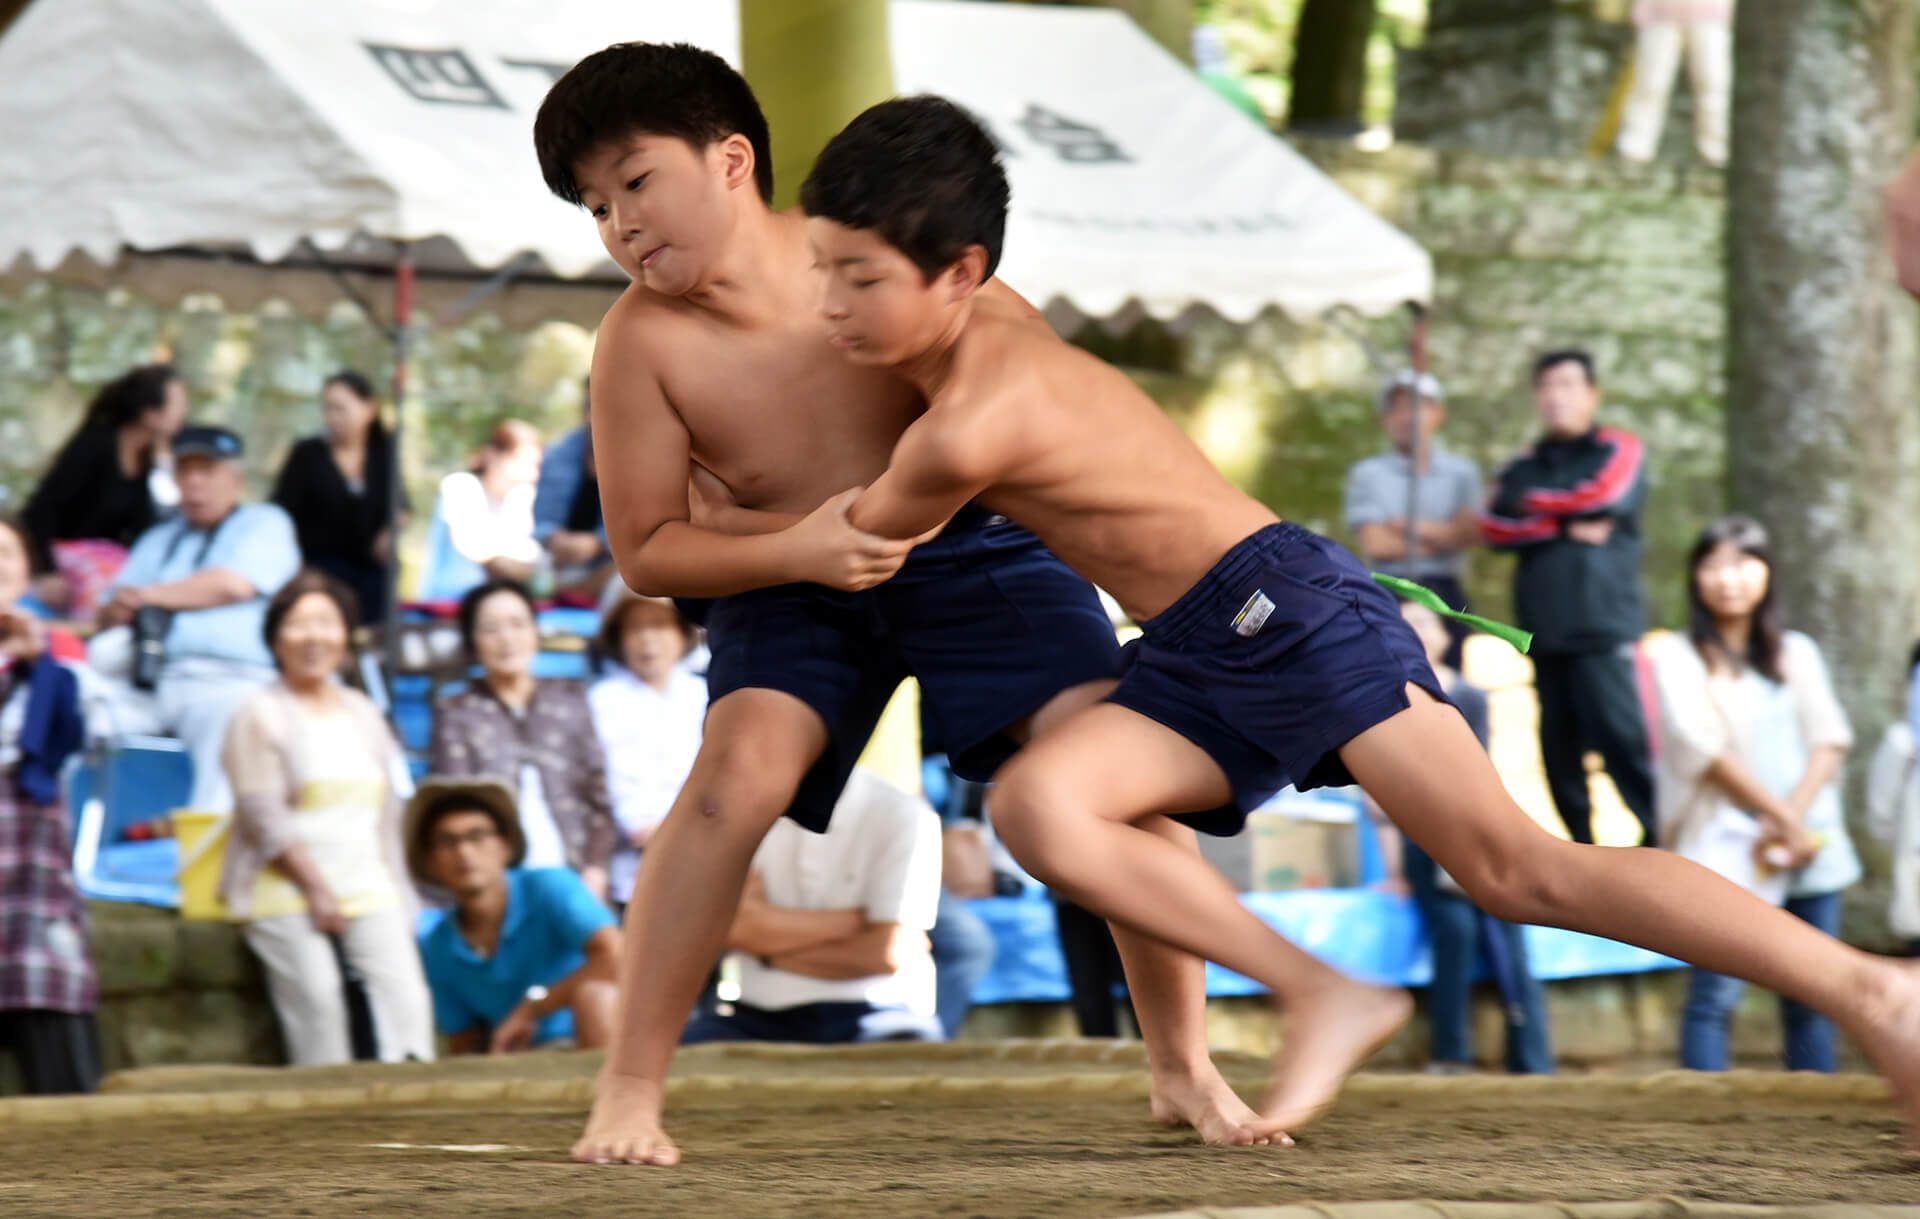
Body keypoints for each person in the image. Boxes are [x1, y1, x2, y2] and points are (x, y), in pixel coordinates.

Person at [798, 93, 1920, 1144]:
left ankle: (1867, 987)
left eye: (858, 278)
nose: (828, 308)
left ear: (961, 272)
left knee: (1518, 870)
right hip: (1200, 642)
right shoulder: (990, 317)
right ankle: (1219, 1046)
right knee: (1049, 801)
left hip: (1285, 611)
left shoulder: (967, 425)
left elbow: (851, 545)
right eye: (818, 272)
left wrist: (688, 517)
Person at [535, 45, 1239, 1164]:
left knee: (1104, 760)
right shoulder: (640, 341)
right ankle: (629, 1086)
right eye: (594, 204)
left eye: (634, 180)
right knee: (733, 781)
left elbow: (1055, 418)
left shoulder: (869, 254)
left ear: (729, 160)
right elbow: (648, 553)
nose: (618, 220)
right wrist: (794, 544)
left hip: (976, 546)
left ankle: (1184, 1063)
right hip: (785, 569)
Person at [1646, 516, 1857, 1072]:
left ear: (1766, 573)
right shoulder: (1675, 654)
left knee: (1816, 994)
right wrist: (1780, 819)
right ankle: (1702, 1122)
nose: (1728, 579)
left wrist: (1793, 822)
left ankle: (1817, 1115)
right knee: (1715, 995)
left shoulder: (1798, 652)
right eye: (1712, 565)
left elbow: (1829, 739)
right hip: (1726, 845)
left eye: (1742, 563)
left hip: (1811, 845)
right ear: (1694, 577)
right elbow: (1701, 747)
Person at [221, 571, 435, 1066]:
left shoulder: (362, 710)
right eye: (298, 624)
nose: (313, 637)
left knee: (408, 1001)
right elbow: (262, 814)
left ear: (345, 635)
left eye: (326, 622)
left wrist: (402, 891)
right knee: (319, 1004)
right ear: (275, 640)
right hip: (286, 886)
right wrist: (316, 888)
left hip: (366, 879)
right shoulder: (259, 712)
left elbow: (385, 811)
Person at [1483, 350, 1656, 847]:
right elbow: (1494, 525)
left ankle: (1662, 846)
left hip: (1604, 626)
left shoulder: (1618, 449)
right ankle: (1582, 853)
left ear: (1591, 394)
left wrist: (1530, 510)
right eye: (1547, 386)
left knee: (1623, 741)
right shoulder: (1521, 463)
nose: (1557, 396)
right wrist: (1563, 522)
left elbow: (1603, 495)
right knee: (1558, 752)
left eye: (1568, 384)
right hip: (1542, 631)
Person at [1379, 600, 1553, 1075]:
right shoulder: (1381, 695)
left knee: (1511, 940)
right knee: (1454, 936)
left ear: (1444, 633)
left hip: (1476, 831)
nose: (1417, 631)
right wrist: (1395, 868)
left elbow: (1481, 770)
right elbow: (1381, 799)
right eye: (1405, 623)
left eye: (1425, 621)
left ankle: (1533, 1058)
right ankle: (1450, 1053)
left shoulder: (1472, 695)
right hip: (1424, 839)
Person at [92, 426, 300, 813]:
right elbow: (109, 607)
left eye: (207, 470)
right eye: (185, 471)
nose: (194, 482)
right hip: (149, 680)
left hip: (230, 680)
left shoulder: (266, 523)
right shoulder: (160, 538)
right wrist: (118, 608)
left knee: (235, 721)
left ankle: (207, 862)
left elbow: (232, 585)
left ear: (237, 479)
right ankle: (70, 845)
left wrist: (147, 596)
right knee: (66, 701)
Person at [685, 768, 943, 1045]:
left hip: (882, 1012)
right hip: (754, 1013)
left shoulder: (902, 811)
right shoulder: (737, 808)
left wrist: (767, 952)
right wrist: (852, 923)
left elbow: (889, 952)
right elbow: (736, 928)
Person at [430, 578, 615, 901]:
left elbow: (599, 794)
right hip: (499, 885)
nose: (506, 639)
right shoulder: (456, 713)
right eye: (490, 628)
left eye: (517, 624)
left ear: (534, 632)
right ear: (472, 642)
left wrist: (596, 869)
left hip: (575, 876)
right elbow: (457, 805)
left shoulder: (570, 700)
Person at [410, 777, 621, 1054]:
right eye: (446, 841)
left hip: (594, 1047)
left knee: (596, 997)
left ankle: (617, 1095)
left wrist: (532, 1008)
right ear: (431, 862)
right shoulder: (437, 944)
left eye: (477, 836)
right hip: (523, 1063)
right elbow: (462, 1040)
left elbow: (620, 955)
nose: (464, 851)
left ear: (506, 846)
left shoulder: (549, 886)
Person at [0, 532, 95, 1093]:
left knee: (50, 996)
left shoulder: (61, 655)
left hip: (31, 867)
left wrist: (42, 669)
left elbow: (90, 734)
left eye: (7, 552)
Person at [22, 363, 187, 617]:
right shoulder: (95, 446)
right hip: (67, 565)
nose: (183, 414)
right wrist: (47, 571)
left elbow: (150, 527)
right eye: (177, 404)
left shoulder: (150, 460)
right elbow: (40, 514)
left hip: (110, 563)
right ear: (149, 412)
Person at [1343, 369, 1482, 670]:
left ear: (1438, 414)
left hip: (1446, 591)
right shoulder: (1367, 473)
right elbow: (1377, 544)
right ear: (1385, 419)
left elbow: (1469, 534)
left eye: (1418, 406)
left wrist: (1406, 526)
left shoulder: (1462, 472)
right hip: (1387, 590)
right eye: (1398, 408)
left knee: (1449, 682)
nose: (1408, 417)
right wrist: (1443, 538)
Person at [588, 585, 706, 908]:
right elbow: (596, 781)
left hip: (702, 858)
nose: (647, 640)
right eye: (635, 628)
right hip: (626, 867)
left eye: (659, 625)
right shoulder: (601, 701)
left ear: (682, 634)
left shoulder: (705, 696)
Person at [271, 370, 402, 624]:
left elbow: (401, 505)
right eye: (328, 408)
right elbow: (281, 514)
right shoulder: (308, 455)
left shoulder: (383, 453)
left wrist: (390, 531)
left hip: (373, 573)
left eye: (341, 408)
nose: (332, 417)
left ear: (369, 409)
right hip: (320, 570)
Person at [418, 421, 544, 603]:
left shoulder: (520, 502)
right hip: (447, 604)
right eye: (521, 462)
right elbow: (474, 547)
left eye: (535, 465)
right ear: (493, 456)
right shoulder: (461, 486)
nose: (531, 474)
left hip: (496, 604)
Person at [1614, 0, 1735, 167]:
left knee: (1714, 84)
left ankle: (1717, 152)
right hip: (1660, 12)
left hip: (1711, 13)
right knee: (1650, 83)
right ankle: (1634, 150)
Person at [533, 384, 613, 599]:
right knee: (502, 564)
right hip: (559, 563)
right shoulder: (559, 453)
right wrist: (554, 539)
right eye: (590, 406)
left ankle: (562, 592)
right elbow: (542, 521)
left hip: (612, 566)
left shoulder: (642, 455)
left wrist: (599, 544)